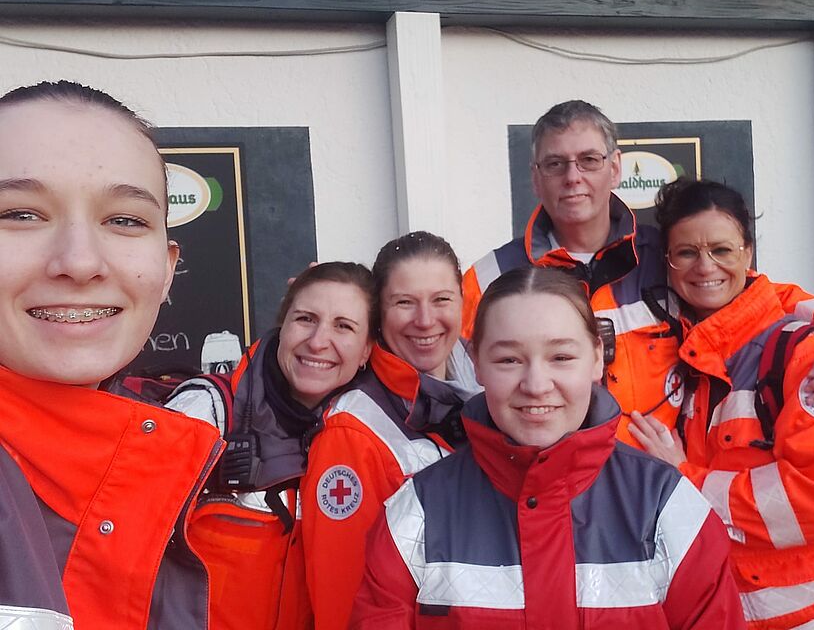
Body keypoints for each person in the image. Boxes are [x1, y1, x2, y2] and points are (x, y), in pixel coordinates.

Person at [461, 100, 814, 446]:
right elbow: (462, 386)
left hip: (654, 486)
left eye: (589, 160)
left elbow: (764, 300)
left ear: (615, 168)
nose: (573, 177)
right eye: (555, 164)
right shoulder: (489, 279)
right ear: (536, 178)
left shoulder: (667, 257)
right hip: (544, 488)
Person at [350, 266, 746, 628]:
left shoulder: (666, 507)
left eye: (560, 356)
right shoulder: (417, 513)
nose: (536, 384)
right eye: (509, 360)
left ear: (596, 358)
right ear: (476, 364)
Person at [0, 80, 223, 629]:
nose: (80, 262)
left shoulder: (152, 461)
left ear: (167, 269)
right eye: (20, 214)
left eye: (125, 220)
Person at [629, 178, 814, 629]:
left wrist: (685, 479)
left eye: (722, 250)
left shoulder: (804, 355)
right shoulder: (692, 352)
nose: (705, 267)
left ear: (748, 253)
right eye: (687, 253)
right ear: (668, 264)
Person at [166, 262, 376, 630]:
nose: (318, 341)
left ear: (366, 352)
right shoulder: (204, 413)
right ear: (282, 327)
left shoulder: (377, 440)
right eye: (306, 319)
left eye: (343, 326)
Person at [301, 231, 478, 630]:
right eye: (404, 303)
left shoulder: (488, 392)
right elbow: (344, 606)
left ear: (462, 302)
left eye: (441, 299)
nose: (425, 320)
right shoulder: (353, 432)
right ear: (379, 313)